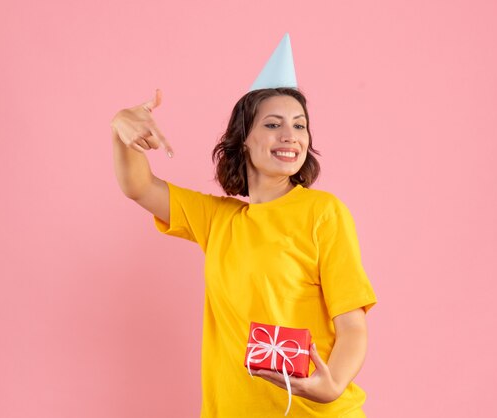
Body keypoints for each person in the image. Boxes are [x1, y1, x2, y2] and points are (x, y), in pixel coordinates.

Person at [111, 35, 377, 418]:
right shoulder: (219, 219)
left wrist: (332, 382)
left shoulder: (324, 212)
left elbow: (352, 323)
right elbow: (138, 186)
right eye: (273, 124)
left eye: (300, 126)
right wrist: (121, 129)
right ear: (244, 141)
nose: (290, 136)